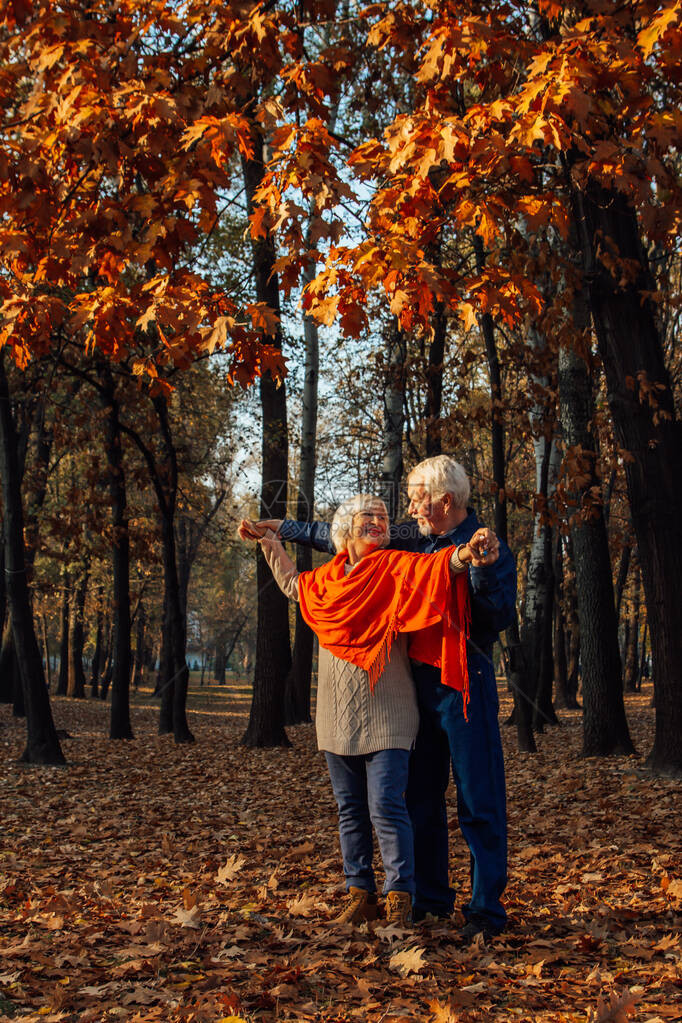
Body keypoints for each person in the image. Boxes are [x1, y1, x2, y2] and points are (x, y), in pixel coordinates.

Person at [246, 455, 516, 941]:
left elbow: (496, 619)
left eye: (416, 500)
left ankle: (485, 912)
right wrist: (281, 528)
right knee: (420, 800)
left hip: (463, 685)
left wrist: (480, 568)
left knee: (478, 801)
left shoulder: (484, 545)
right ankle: (432, 902)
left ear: (444, 501)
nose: (408, 510)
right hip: (415, 688)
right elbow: (343, 533)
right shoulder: (413, 539)